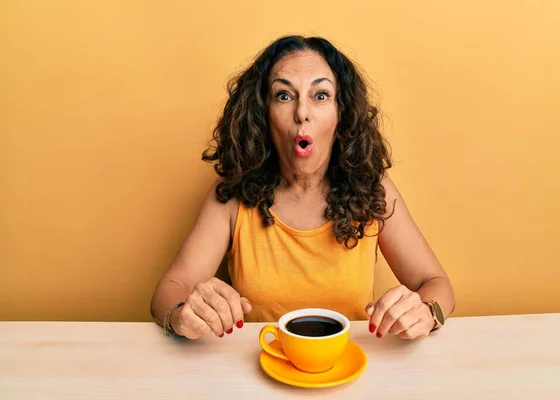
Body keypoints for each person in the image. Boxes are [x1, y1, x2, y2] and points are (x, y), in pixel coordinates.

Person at [150, 35, 455, 341]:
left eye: (320, 95)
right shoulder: (233, 195)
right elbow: (170, 289)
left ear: (341, 113)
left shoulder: (373, 189)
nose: (302, 112)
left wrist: (427, 312)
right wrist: (180, 314)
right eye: (284, 96)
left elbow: (435, 282)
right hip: (258, 367)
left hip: (350, 370)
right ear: (263, 113)